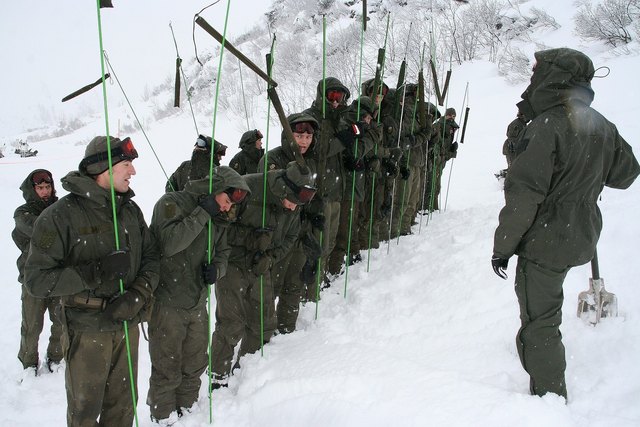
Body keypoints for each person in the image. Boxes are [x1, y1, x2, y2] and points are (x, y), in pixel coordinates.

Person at [491, 48, 640, 401]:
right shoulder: (600, 123)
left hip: (547, 240)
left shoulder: (546, 126)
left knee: (540, 322)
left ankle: (549, 399)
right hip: (582, 234)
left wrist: (503, 247)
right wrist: (586, 174)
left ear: (551, 77)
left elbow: (524, 194)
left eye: (536, 72)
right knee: (544, 313)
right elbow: (626, 173)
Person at [24, 136, 159, 426]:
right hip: (87, 330)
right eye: (126, 165)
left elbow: (152, 258)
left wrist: (137, 294)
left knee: (123, 408)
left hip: (127, 323)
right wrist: (93, 272)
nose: (132, 172)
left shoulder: (130, 210)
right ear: (103, 169)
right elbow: (36, 281)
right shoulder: (59, 217)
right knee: (85, 412)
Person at [147, 166, 250, 424]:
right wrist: (203, 212)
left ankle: (188, 412)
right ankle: (163, 418)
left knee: (194, 365)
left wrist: (218, 269)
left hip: (197, 302)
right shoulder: (171, 203)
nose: (227, 209)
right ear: (213, 190)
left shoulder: (219, 217)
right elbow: (170, 244)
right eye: (225, 201)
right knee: (167, 369)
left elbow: (223, 252)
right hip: (167, 303)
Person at [209, 161, 316, 388]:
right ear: (284, 189)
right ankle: (217, 378)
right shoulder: (248, 188)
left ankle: (246, 371)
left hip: (261, 266)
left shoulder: (293, 206)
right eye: (291, 202)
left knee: (264, 323)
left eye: (298, 205)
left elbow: (290, 237)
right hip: (233, 265)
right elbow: (220, 228)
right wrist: (250, 239)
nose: (293, 208)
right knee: (231, 323)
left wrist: (270, 257)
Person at [258, 113, 322, 331]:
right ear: (288, 136)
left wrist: (312, 218)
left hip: (299, 233)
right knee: (270, 288)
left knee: (294, 284)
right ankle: (262, 336)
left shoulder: (310, 162)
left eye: (308, 137)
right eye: (298, 136)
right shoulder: (272, 159)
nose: (304, 142)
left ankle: (287, 329)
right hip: (276, 234)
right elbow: (269, 194)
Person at [12, 169, 63, 377]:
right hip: (32, 278)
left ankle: (56, 358)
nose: (44, 191)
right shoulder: (22, 212)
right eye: (40, 188)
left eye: (47, 187)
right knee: (31, 324)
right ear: (32, 190)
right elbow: (41, 234)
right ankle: (28, 363)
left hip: (57, 275)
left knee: (60, 321)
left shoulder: (60, 209)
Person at [426, 107, 459, 212]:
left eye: (453, 116)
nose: (451, 118)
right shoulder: (438, 126)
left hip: (441, 161)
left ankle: (434, 208)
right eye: (450, 115)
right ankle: (426, 208)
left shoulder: (451, 129)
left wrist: (452, 151)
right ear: (445, 115)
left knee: (436, 186)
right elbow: (434, 144)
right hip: (434, 160)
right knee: (430, 185)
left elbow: (445, 148)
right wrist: (437, 156)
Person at [498, 110, 528, 178]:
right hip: (511, 149)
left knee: (516, 168)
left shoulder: (522, 123)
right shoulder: (516, 124)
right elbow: (511, 137)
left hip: (516, 149)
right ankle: (502, 178)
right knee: (513, 169)